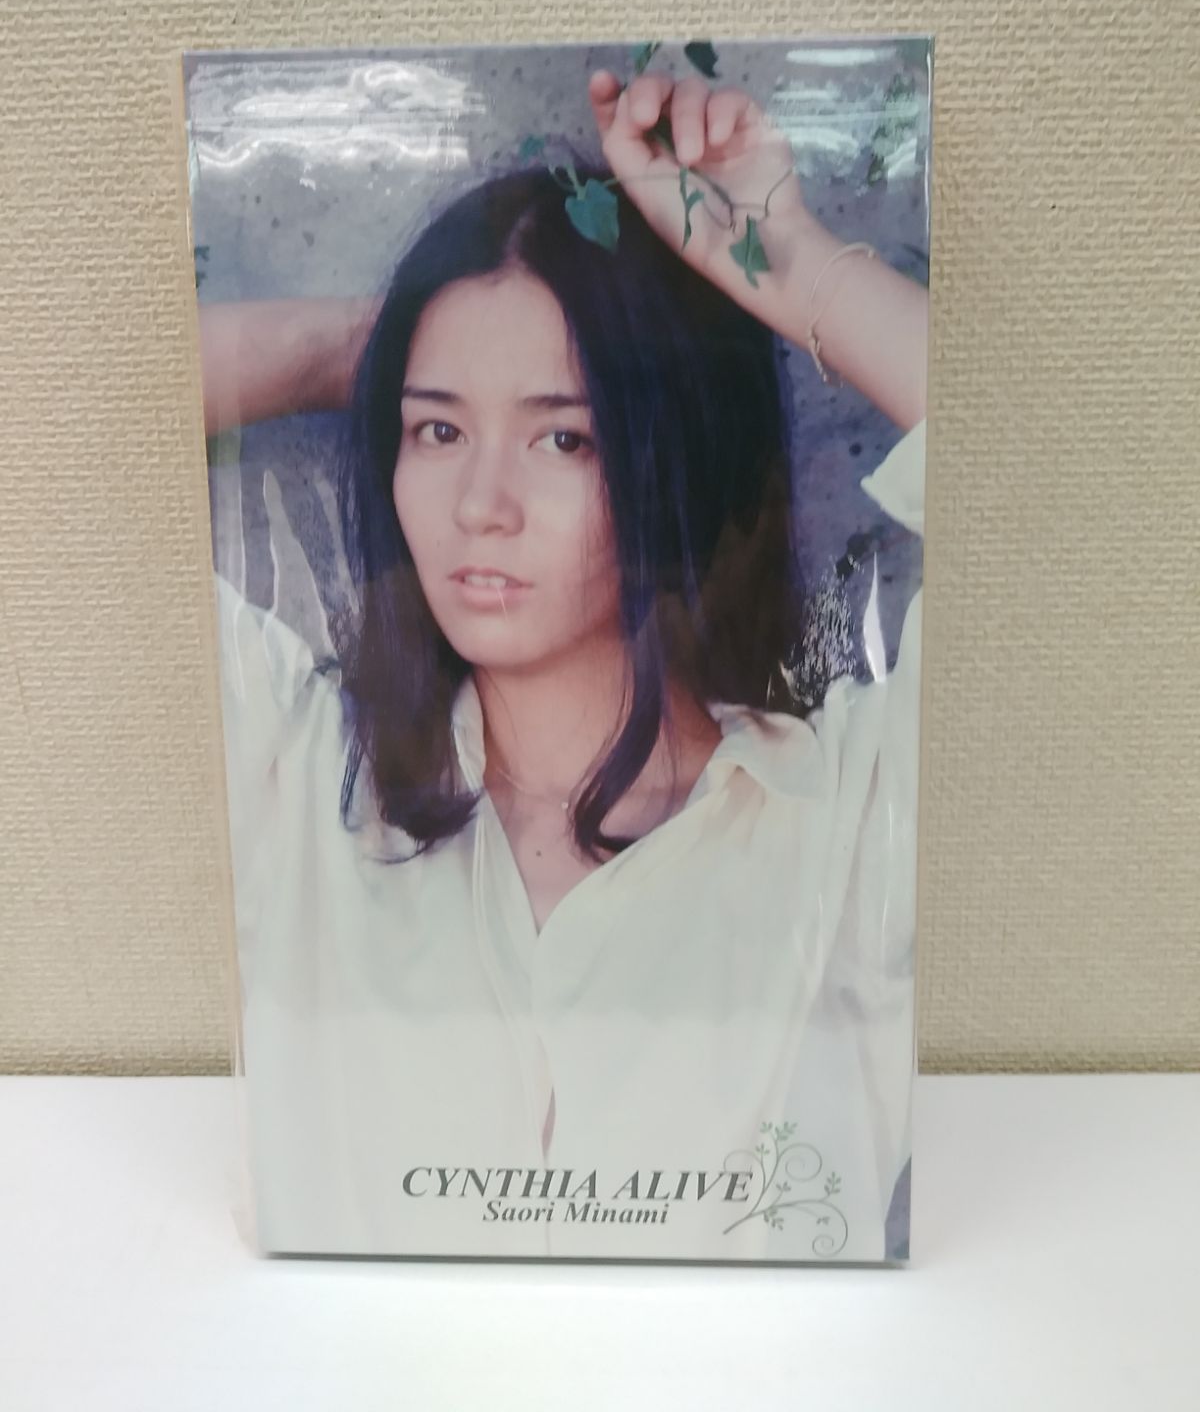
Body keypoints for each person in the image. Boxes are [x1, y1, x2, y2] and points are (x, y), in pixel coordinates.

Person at [202, 68, 929, 1263]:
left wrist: (788, 262)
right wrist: (380, 344)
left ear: (672, 450)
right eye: (437, 429)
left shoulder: (852, 817)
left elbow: (1059, 508)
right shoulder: (298, 780)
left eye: (563, 435)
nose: (480, 503)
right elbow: (50, 421)